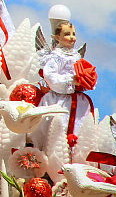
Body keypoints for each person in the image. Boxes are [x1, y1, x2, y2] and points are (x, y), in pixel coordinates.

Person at [31, 12, 94, 150]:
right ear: (57, 37)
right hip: (58, 100)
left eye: (73, 34)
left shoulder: (76, 55)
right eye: (67, 34)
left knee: (79, 130)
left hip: (76, 101)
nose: (71, 38)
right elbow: (50, 76)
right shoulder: (55, 57)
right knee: (56, 130)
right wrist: (72, 80)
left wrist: (86, 81)